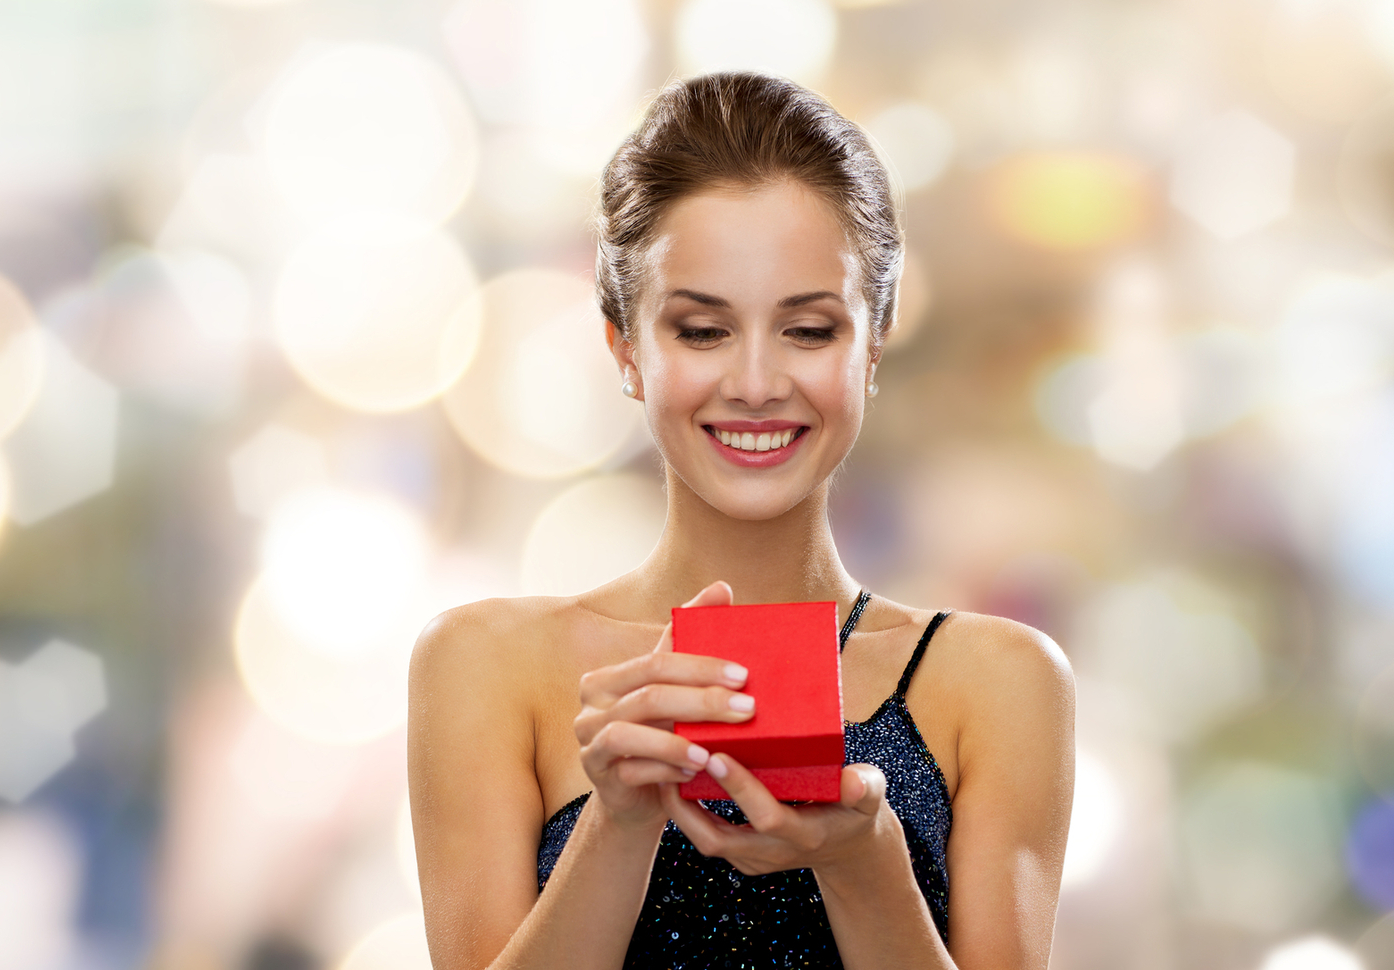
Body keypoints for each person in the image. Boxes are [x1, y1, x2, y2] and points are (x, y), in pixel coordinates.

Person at [408, 71, 1075, 970]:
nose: (757, 383)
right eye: (701, 330)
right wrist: (616, 824)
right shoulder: (485, 667)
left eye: (807, 331)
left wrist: (866, 863)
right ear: (626, 351)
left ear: (871, 349)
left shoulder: (997, 684)